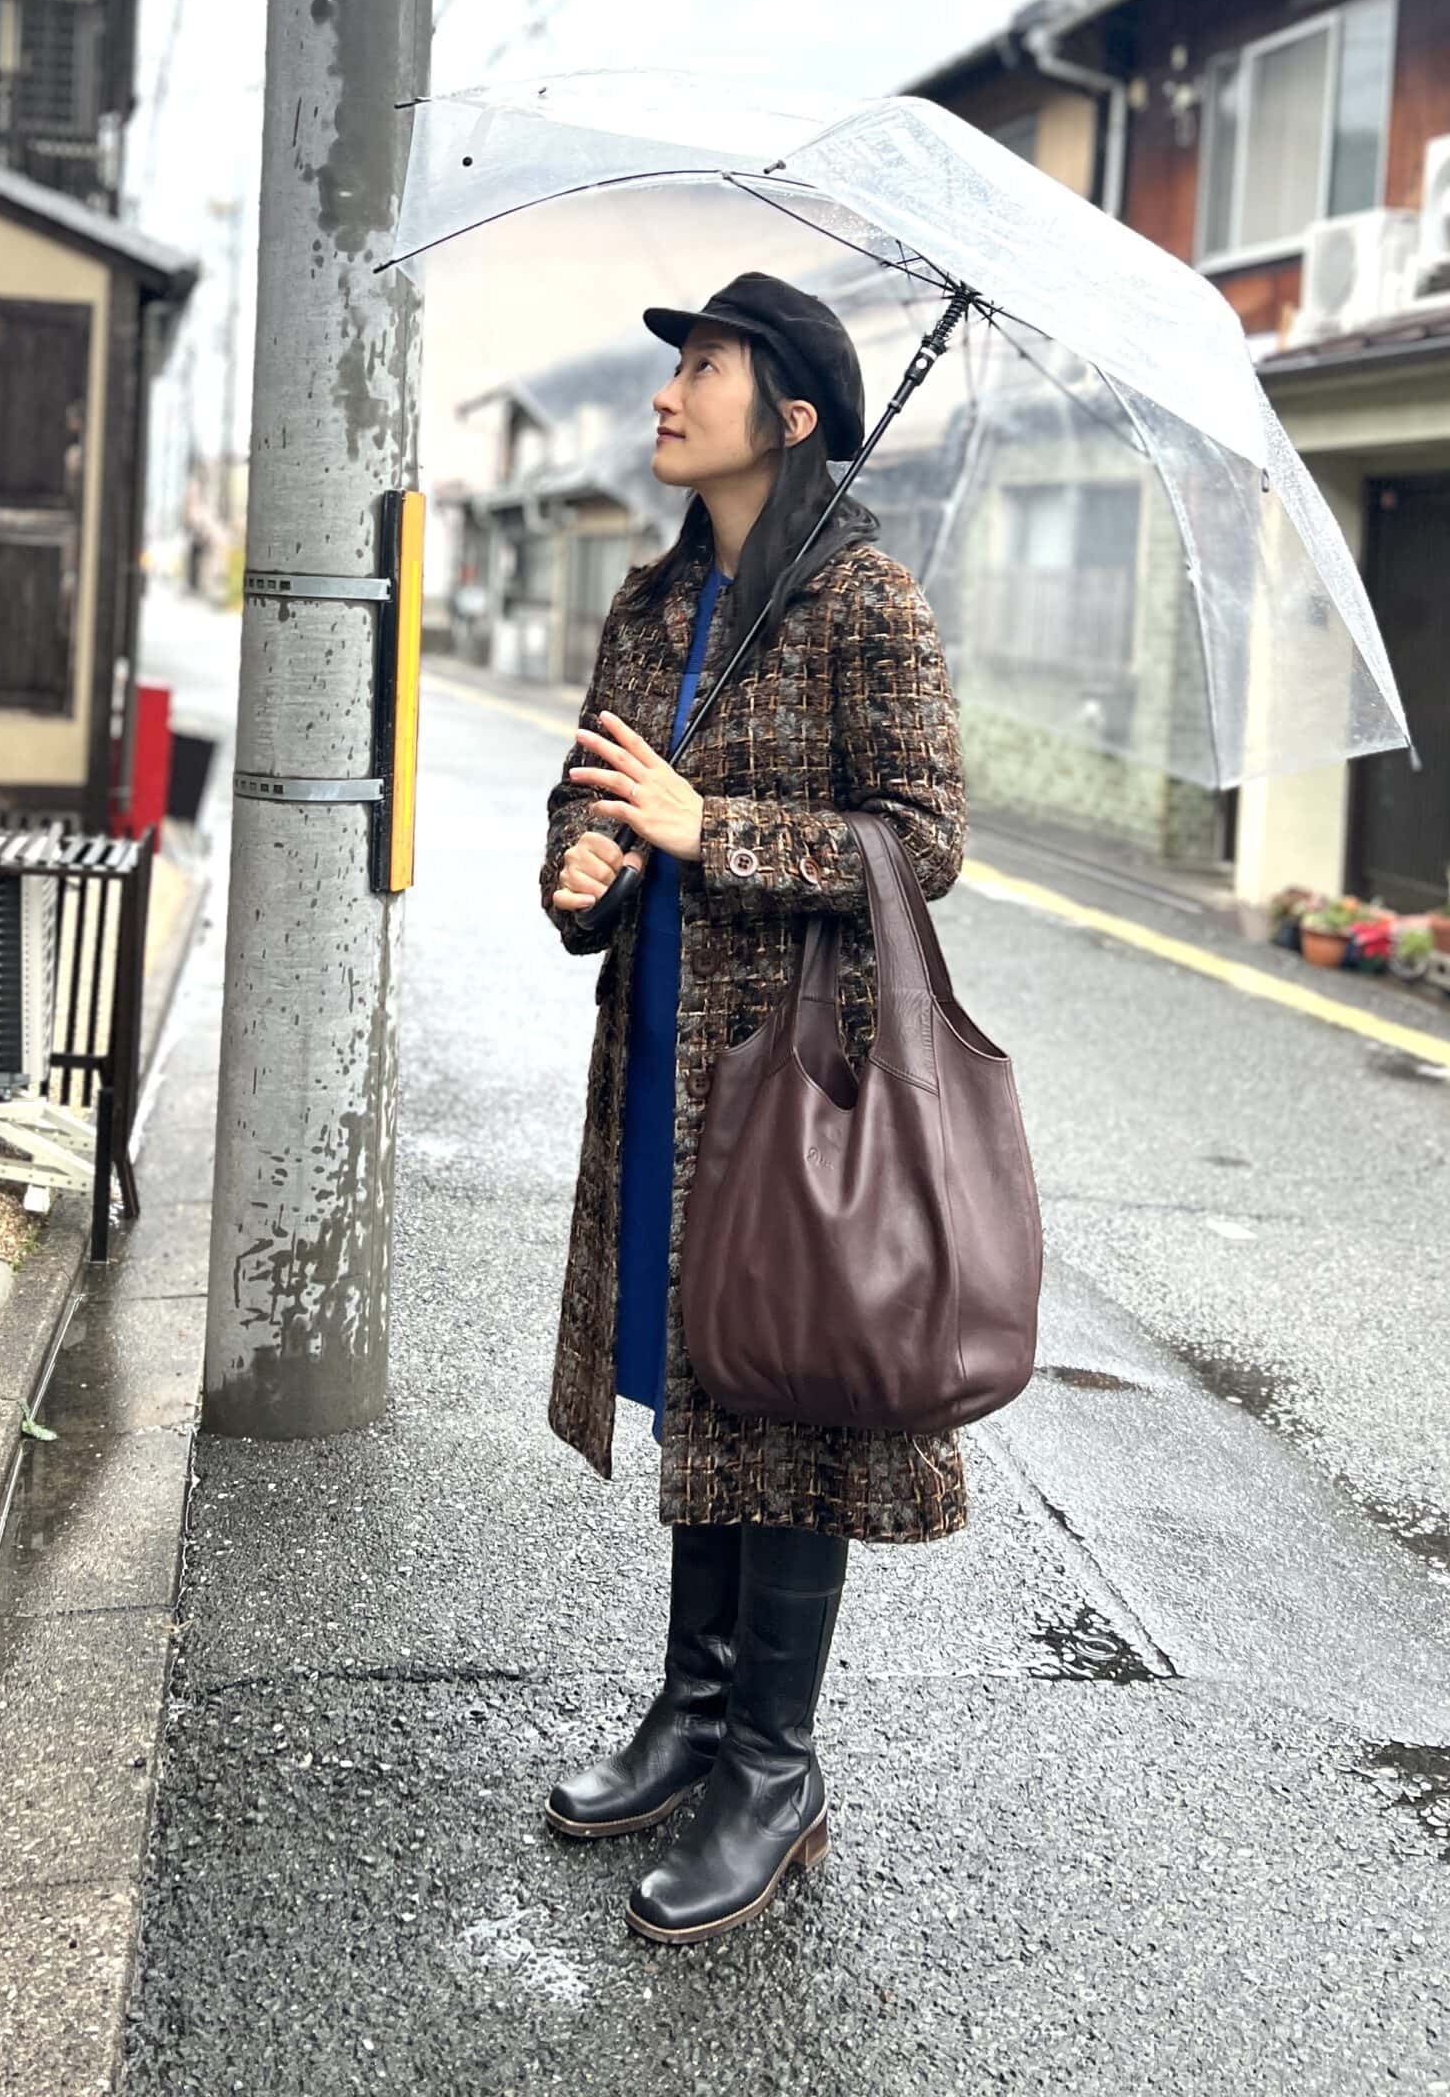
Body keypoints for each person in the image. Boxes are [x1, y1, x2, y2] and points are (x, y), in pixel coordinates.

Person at [536, 272, 969, 1946]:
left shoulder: (866, 603)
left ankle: (772, 1770)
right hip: (659, 1055)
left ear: (786, 418)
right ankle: (696, 1712)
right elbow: (591, 798)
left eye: (700, 369)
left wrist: (706, 829)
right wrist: (583, 869)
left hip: (796, 1081)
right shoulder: (651, 603)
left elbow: (919, 842)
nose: (666, 394)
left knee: (780, 1392)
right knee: (700, 1380)